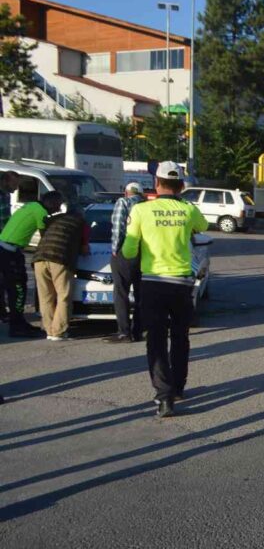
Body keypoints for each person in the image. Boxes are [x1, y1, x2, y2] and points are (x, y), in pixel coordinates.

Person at [121, 162, 208, 419]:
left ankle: (164, 397)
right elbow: (202, 227)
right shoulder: (188, 209)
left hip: (152, 283)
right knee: (181, 337)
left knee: (156, 340)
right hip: (181, 284)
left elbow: (128, 250)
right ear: (181, 186)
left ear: (156, 184)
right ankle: (179, 387)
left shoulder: (141, 210)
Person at [0, 190, 65, 338]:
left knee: (16, 287)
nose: (59, 209)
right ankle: (16, 326)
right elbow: (46, 236)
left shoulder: (31, 206)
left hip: (8, 248)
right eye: (58, 205)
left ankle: (18, 321)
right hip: (9, 251)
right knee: (18, 289)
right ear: (51, 203)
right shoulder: (40, 212)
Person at [33, 206, 90, 341]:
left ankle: (49, 329)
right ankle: (58, 331)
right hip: (59, 259)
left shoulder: (54, 220)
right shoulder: (81, 224)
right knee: (63, 295)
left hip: (39, 258)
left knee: (45, 297)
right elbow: (85, 248)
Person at [104, 182, 146, 343]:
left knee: (121, 292)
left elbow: (118, 227)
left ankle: (124, 332)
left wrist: (115, 249)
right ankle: (138, 331)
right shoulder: (146, 207)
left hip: (126, 253)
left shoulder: (123, 202)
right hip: (144, 254)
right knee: (140, 294)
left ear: (126, 193)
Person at [0, 170, 20, 324]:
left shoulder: (6, 196)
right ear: (5, 181)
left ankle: (3, 311)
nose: (17, 187)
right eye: (14, 184)